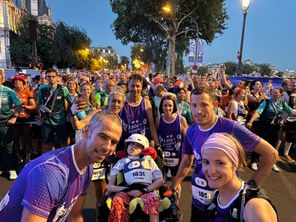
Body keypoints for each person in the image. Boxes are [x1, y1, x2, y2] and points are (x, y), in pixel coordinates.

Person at [172, 86, 278, 221]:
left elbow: (271, 154)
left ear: (215, 105)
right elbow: (187, 161)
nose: (198, 111)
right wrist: (176, 184)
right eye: (194, 105)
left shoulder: (231, 127)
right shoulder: (191, 131)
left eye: (204, 105)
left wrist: (251, 187)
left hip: (225, 204)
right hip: (198, 203)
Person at [0, 112, 122, 221]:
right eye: (103, 136)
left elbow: (75, 216)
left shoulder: (87, 167)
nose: (107, 147)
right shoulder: (50, 173)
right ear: (86, 131)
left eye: (114, 142)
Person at [201, 133, 278, 222]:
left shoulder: (254, 207)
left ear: (236, 164)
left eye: (220, 163)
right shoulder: (217, 196)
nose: (211, 171)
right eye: (206, 162)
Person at [107, 134, 163, 222]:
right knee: (117, 200)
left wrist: (144, 190)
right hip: (127, 190)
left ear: (143, 149)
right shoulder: (121, 161)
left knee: (153, 200)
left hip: (147, 190)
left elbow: (160, 181)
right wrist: (128, 190)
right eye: (131, 144)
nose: (133, 146)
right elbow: (110, 187)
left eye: (137, 146)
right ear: (127, 146)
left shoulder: (148, 159)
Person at [247, 87, 296, 172]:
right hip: (264, 127)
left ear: (280, 94)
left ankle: (271, 162)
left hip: (276, 128)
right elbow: (258, 112)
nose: (274, 94)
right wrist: (251, 121)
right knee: (260, 144)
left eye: (276, 92)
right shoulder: (266, 102)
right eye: (273, 92)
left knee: (273, 146)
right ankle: (254, 161)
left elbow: (292, 112)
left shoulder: (283, 104)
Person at [155, 94, 187, 191]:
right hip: (162, 156)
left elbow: (186, 139)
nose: (167, 108)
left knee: (175, 183)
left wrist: (186, 156)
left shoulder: (181, 120)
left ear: (174, 107)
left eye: (170, 105)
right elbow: (155, 135)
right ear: (161, 106)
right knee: (160, 182)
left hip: (177, 156)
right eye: (165, 105)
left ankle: (175, 204)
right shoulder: (158, 120)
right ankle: (163, 204)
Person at [37, 68, 73, 153]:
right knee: (47, 145)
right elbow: (39, 104)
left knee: (62, 144)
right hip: (47, 122)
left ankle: (62, 161)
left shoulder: (63, 89)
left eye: (53, 76)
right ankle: (49, 162)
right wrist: (41, 117)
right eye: (49, 77)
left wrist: (68, 115)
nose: (51, 78)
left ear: (57, 77)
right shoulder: (42, 88)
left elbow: (71, 103)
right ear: (46, 77)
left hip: (60, 121)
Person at [0, 69, 23, 180]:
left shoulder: (9, 91)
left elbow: (19, 105)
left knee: (8, 147)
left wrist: (14, 117)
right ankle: (2, 168)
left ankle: (11, 169)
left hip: (5, 123)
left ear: (2, 78)